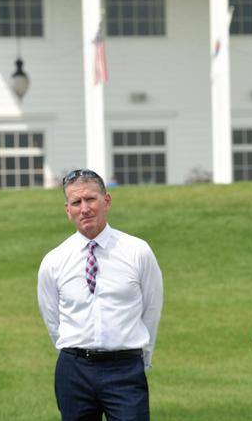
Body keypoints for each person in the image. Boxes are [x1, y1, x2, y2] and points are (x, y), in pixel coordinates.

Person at [37, 169, 163, 421]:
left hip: (125, 369)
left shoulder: (137, 252)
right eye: (76, 202)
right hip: (74, 372)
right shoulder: (54, 260)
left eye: (90, 199)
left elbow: (151, 309)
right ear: (68, 210)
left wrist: (141, 357)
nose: (84, 208)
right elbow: (51, 317)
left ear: (107, 201)